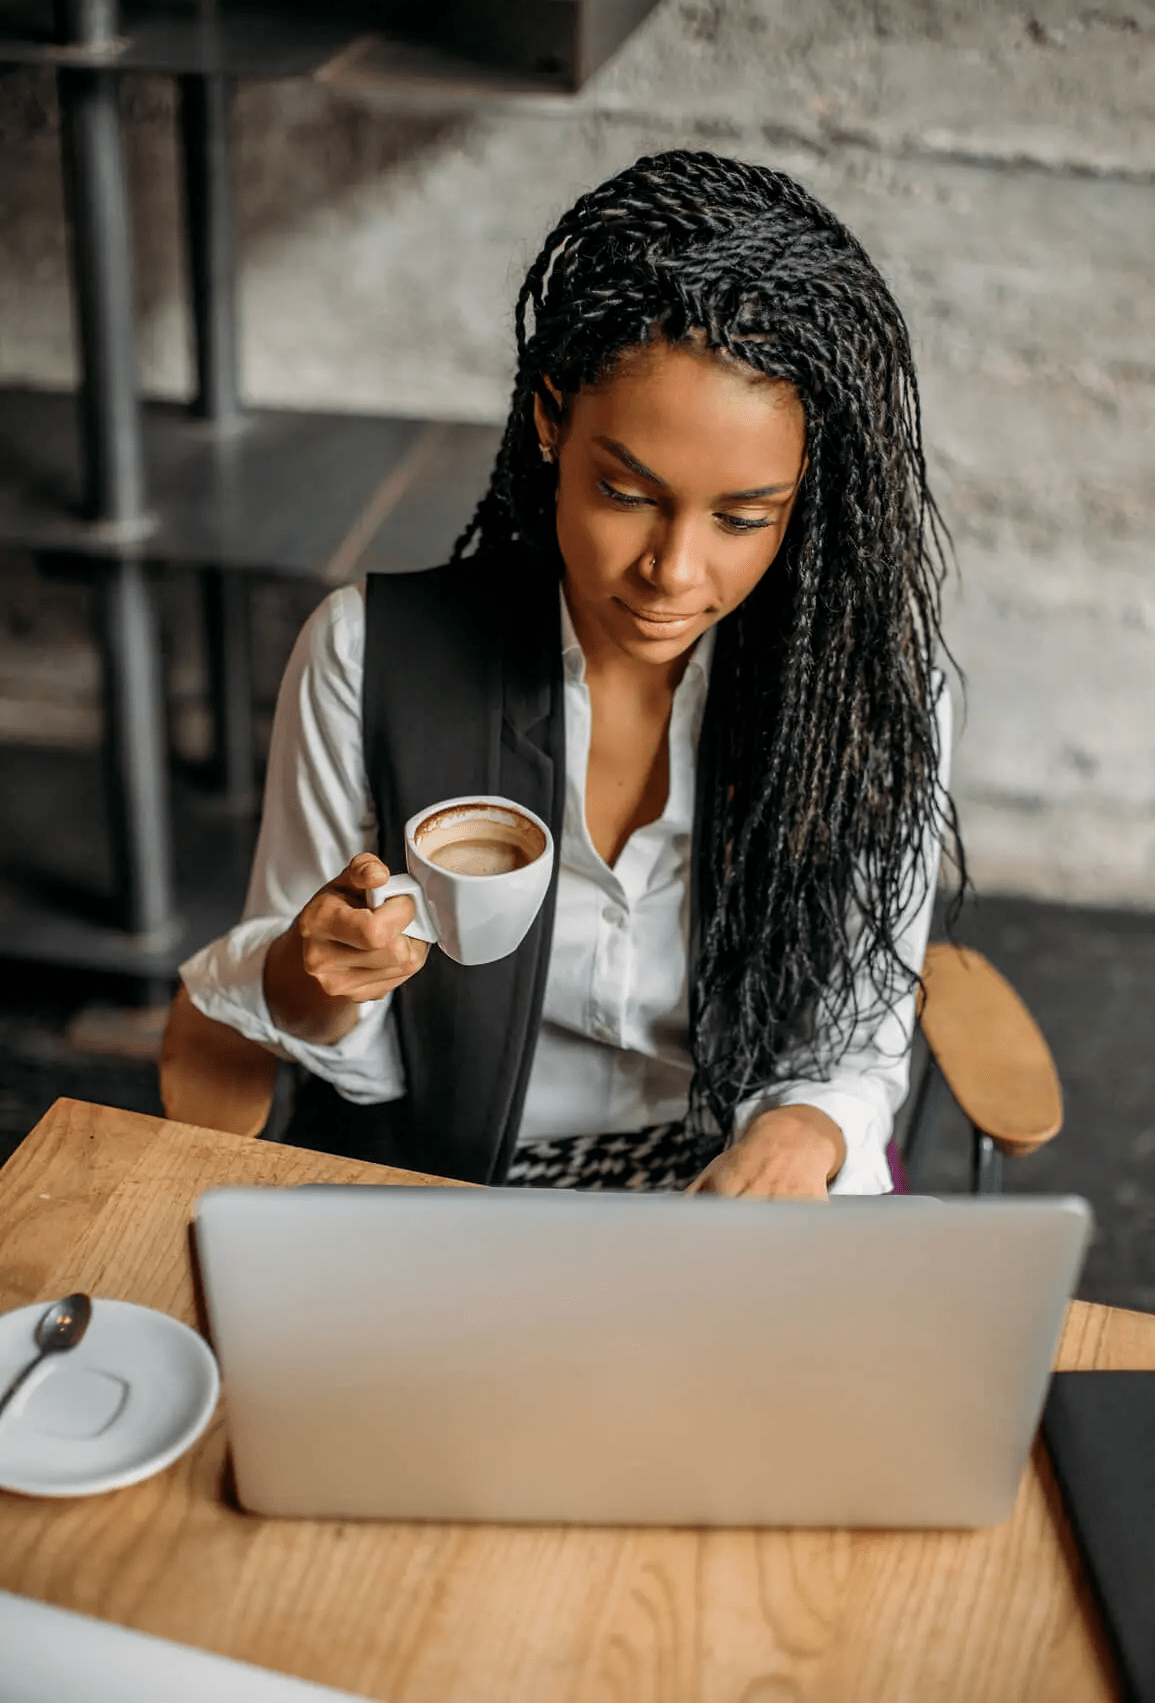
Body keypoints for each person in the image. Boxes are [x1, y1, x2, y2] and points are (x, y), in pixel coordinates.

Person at [182, 150, 961, 1198]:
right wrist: (317, 973)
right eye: (628, 492)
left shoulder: (863, 706)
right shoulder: (367, 656)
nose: (674, 573)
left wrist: (803, 1135)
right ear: (552, 420)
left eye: (744, 517)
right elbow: (300, 993)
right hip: (451, 1193)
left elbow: (851, 1049)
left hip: (720, 1182)